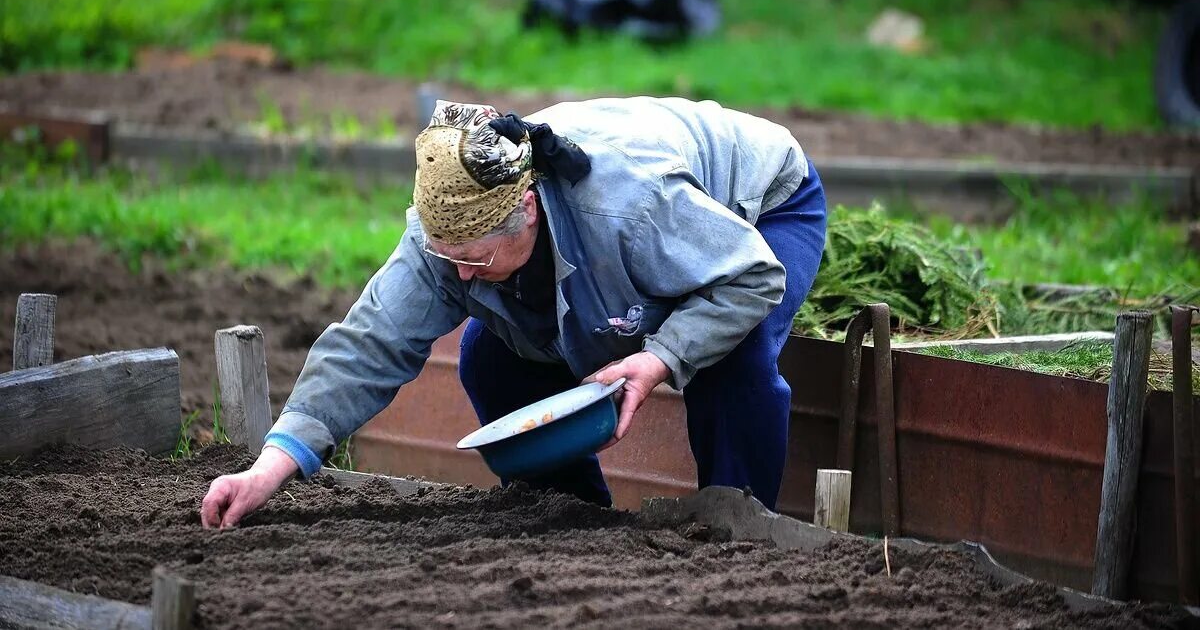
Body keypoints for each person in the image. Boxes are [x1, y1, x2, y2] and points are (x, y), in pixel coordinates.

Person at [201, 96, 827, 528]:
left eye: (476, 257)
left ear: (527, 207)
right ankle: (572, 514)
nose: (463, 275)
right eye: (451, 261)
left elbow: (750, 276)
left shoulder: (627, 207)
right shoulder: (445, 245)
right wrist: (269, 467)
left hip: (760, 200)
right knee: (488, 356)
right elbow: (368, 343)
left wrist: (662, 357)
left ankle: (736, 530)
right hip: (636, 224)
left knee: (730, 358)